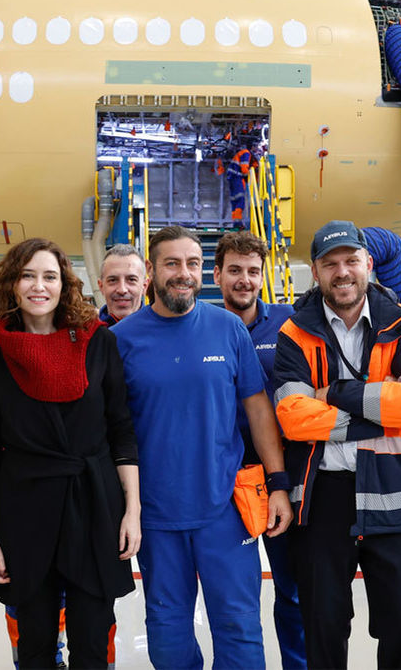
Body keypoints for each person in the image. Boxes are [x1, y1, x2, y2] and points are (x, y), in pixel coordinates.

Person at [112, 225, 292, 670]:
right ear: (152, 271)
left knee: (239, 628)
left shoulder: (228, 328)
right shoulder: (121, 340)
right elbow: (113, 429)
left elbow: (258, 411)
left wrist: (278, 484)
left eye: (192, 264)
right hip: (156, 515)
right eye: (172, 263)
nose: (183, 274)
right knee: (168, 637)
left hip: (225, 510)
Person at [272, 219, 401, 670]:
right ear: (315, 271)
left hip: (393, 491)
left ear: (368, 263)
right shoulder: (293, 333)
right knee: (323, 625)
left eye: (350, 261)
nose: (342, 272)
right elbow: (292, 416)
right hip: (322, 496)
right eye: (330, 264)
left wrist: (339, 393)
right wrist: (376, 416)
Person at [0, 238, 141, 669]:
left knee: (91, 640)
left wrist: (131, 511)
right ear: (11, 284)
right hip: (24, 509)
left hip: (94, 503)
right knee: (35, 643)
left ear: (64, 285)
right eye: (28, 275)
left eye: (49, 276)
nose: (38, 286)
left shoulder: (98, 344)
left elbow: (121, 432)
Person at [212, 230, 305, 669]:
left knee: (293, 590)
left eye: (252, 271)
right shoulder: (204, 330)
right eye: (234, 271)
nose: (244, 280)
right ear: (218, 275)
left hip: (283, 480)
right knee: (235, 595)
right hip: (225, 484)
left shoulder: (289, 324)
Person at [96, 244, 148, 326]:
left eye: (131, 280)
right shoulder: (87, 334)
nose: (122, 290)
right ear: (101, 286)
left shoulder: (161, 332)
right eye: (113, 280)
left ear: (145, 286)